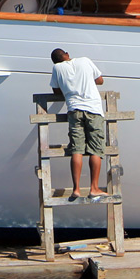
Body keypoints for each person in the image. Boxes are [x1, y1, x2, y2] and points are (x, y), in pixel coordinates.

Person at [49, 48, 106, 201]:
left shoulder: (57, 68)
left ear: (55, 61)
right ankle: (94, 188)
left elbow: (56, 91)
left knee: (77, 150)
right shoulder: (85, 60)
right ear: (67, 54)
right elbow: (100, 80)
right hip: (93, 110)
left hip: (74, 110)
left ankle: (76, 189)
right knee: (95, 149)